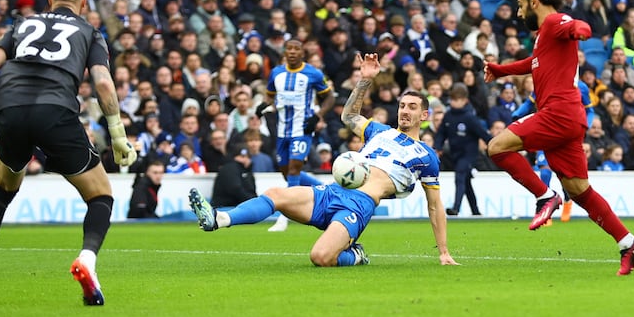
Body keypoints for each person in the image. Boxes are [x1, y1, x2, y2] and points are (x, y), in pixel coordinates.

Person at [0, 0, 136, 305]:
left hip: (10, 106)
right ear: (84, 2)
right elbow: (102, 82)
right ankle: (87, 261)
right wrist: (117, 134)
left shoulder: (21, 24)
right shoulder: (89, 31)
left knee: (3, 190)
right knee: (101, 195)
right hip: (54, 109)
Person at [188, 53, 458, 267]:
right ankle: (219, 218)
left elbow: (434, 206)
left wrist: (443, 251)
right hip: (333, 191)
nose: (405, 111)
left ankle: (355, 255)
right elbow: (349, 117)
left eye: (412, 107)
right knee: (275, 194)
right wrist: (364, 81)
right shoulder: (379, 130)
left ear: (424, 116)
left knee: (320, 257)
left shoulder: (426, 156)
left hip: (360, 204)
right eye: (402, 106)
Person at [483, 0, 634, 276]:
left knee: (497, 147)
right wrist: (499, 69)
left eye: (520, 6)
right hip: (569, 118)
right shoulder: (544, 36)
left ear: (534, 1)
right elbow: (532, 63)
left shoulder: (553, 22)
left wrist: (582, 31)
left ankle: (545, 195)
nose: (519, 13)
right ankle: (628, 242)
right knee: (580, 190)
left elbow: (576, 26)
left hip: (557, 113)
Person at [255, 38, 334, 231]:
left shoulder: (312, 73)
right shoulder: (277, 73)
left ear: (302, 53)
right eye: (289, 48)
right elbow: (270, 95)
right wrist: (264, 104)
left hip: (302, 129)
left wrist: (318, 115)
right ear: (284, 52)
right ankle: (327, 190)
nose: (292, 52)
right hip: (282, 130)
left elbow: (330, 97)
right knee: (288, 173)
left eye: (296, 49)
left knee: (293, 169)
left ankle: (284, 218)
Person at [434, 83, 492, 217]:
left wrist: (494, 143)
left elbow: (482, 133)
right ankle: (475, 211)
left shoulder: (469, 117)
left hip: (469, 154)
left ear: (465, 100)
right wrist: (438, 147)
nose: (454, 102)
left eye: (457, 100)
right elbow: (441, 133)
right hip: (455, 153)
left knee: (460, 175)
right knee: (465, 182)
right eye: (453, 99)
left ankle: (456, 208)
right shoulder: (448, 116)